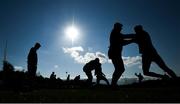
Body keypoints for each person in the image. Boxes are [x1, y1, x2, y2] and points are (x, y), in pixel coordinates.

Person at [108, 22, 134, 87]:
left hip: (115, 53)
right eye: (120, 27)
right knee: (120, 69)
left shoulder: (116, 33)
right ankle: (113, 84)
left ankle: (113, 84)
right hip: (114, 53)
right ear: (117, 27)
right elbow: (123, 40)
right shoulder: (115, 33)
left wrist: (134, 38)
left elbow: (124, 37)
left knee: (119, 69)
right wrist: (133, 39)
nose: (121, 28)